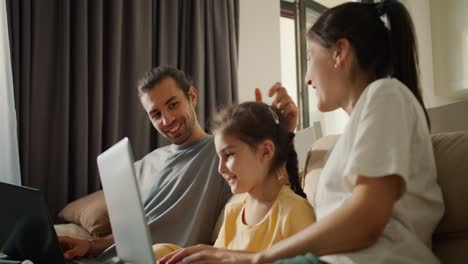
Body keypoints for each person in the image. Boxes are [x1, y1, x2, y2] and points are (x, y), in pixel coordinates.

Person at [159, 1, 444, 263]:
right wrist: (227, 254)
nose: (307, 77)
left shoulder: (387, 95)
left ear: (340, 52)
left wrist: (255, 259)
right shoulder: (359, 128)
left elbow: (367, 221)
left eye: (309, 56)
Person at [58, 66, 233, 260]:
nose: (167, 120)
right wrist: (89, 245)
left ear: (192, 96)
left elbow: (265, 159)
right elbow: (133, 234)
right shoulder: (146, 164)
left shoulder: (221, 151)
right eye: (156, 114)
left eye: (173, 105)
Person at [153, 101, 315, 259]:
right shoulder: (234, 211)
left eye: (229, 155)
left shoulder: (294, 212)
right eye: (219, 158)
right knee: (159, 251)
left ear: (266, 151)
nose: (220, 169)